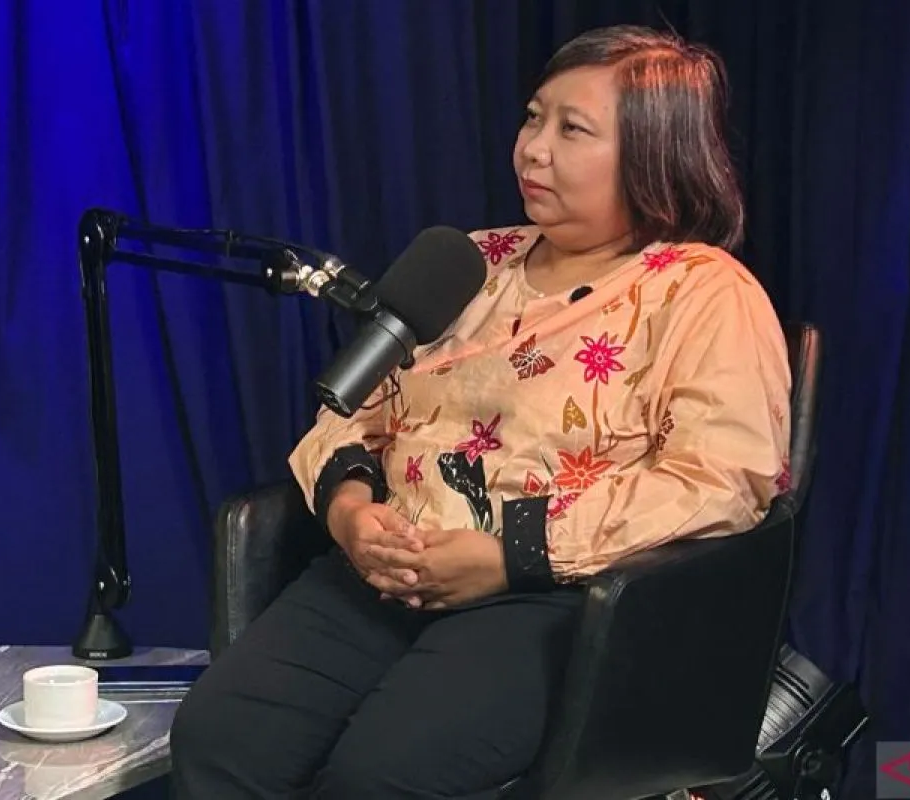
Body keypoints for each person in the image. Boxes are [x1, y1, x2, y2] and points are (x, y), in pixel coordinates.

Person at [170, 24, 792, 799]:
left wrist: (510, 554)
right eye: (533, 118)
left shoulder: (701, 293)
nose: (533, 149)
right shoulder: (470, 263)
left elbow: (721, 481)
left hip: (553, 598)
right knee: (218, 742)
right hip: (381, 569)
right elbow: (352, 411)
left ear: (652, 154)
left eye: (572, 130)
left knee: (380, 775)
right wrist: (351, 514)